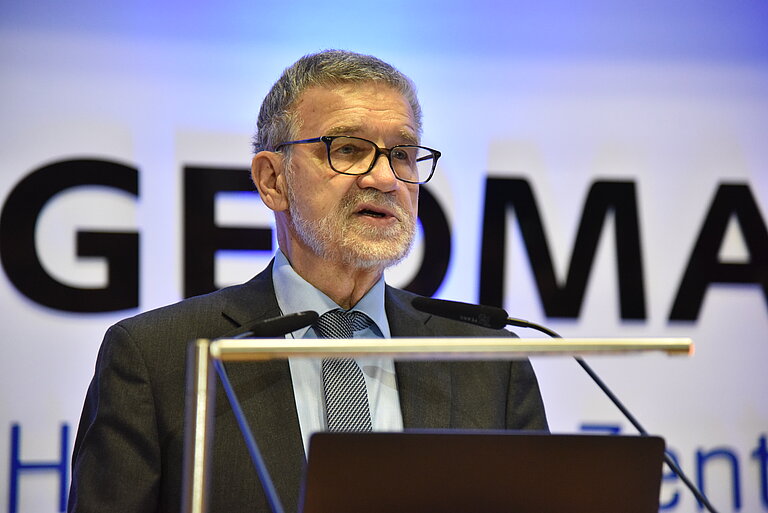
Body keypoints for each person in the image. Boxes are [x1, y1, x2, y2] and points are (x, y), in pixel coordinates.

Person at [68, 50, 548, 513]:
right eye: (348, 150)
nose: (384, 178)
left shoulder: (488, 359)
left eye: (401, 153)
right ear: (273, 181)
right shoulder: (160, 358)